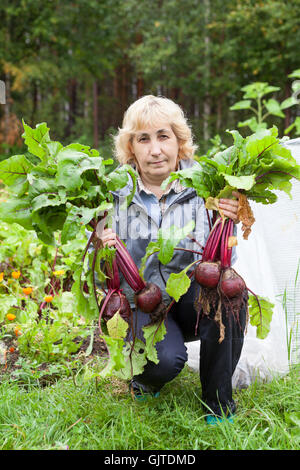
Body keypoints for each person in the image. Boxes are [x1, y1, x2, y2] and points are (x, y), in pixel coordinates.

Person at [99, 95, 246, 424]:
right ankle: (145, 378)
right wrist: (102, 252)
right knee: (165, 361)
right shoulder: (109, 194)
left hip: (193, 298)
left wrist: (230, 219)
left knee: (230, 295)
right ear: (130, 147)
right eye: (143, 139)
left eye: (163, 136)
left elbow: (224, 263)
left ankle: (218, 404)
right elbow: (99, 280)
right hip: (142, 306)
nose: (155, 150)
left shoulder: (210, 185)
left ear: (180, 141)